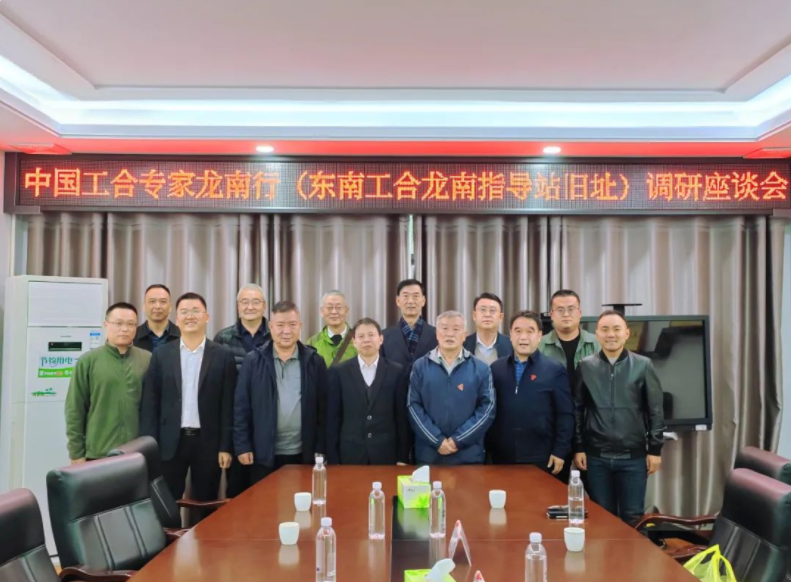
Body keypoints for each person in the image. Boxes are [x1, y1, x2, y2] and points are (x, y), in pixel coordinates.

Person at [140, 292, 237, 508]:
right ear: (177, 318)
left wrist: (225, 447)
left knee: (207, 502)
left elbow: (228, 405)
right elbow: (150, 404)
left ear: (207, 317)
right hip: (169, 443)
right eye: (184, 312)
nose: (190, 316)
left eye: (196, 311)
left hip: (208, 443)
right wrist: (150, 447)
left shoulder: (223, 355)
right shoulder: (162, 355)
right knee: (166, 505)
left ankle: (204, 533)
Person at [573, 310, 665, 525]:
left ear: (626, 333)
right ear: (597, 334)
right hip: (596, 458)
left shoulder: (643, 365)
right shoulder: (585, 366)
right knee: (602, 518)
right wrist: (579, 447)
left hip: (633, 457)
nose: (611, 334)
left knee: (633, 518)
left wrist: (655, 449)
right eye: (605, 329)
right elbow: (577, 409)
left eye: (616, 329)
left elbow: (656, 410)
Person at [234, 301, 328, 484]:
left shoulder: (314, 361)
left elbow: (323, 410)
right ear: (270, 327)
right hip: (263, 453)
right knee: (265, 500)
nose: (286, 331)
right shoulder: (253, 361)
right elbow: (241, 407)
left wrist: (321, 448)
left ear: (300, 326)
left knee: (301, 498)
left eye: (292, 324)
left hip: (303, 453)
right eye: (280, 325)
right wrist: (242, 446)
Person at [65, 302, 151, 463]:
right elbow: (74, 409)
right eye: (118, 323)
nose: (124, 329)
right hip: (98, 452)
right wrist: (76, 453)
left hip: (138, 453)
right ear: (106, 324)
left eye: (130, 324)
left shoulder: (147, 360)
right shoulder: (88, 361)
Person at [487, 311, 572, 473]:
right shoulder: (496, 369)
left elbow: (565, 414)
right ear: (510, 335)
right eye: (518, 331)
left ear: (539, 336)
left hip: (541, 455)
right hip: (502, 455)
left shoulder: (554, 370)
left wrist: (560, 450)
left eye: (530, 331)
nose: (523, 337)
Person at [408, 311, 495, 465]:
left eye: (456, 329)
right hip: (429, 455)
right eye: (444, 328)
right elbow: (413, 406)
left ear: (464, 335)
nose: (450, 334)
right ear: (437, 334)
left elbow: (487, 409)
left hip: (468, 456)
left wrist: (458, 440)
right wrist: (437, 441)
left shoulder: (481, 369)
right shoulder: (420, 366)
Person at [213, 283, 271, 497]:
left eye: (256, 302)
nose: (250, 307)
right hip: (235, 422)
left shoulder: (276, 335)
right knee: (237, 492)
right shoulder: (223, 338)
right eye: (245, 302)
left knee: (268, 492)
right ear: (238, 306)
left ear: (264, 306)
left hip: (268, 422)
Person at [326, 318, 410, 465]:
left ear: (381, 339)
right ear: (354, 342)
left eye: (371, 335)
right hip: (350, 454)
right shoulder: (339, 372)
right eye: (361, 336)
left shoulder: (396, 371)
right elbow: (333, 418)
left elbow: (402, 418)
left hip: (386, 453)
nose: (366, 340)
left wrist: (402, 457)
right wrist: (333, 458)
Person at [538, 289, 599, 383]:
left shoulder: (596, 343)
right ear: (551, 315)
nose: (566, 314)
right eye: (560, 310)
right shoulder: (539, 345)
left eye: (571, 309)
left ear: (579, 313)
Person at [381, 279, 438, 373]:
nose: (410, 301)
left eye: (415, 296)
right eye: (406, 296)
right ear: (398, 301)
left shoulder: (437, 335)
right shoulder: (383, 336)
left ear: (423, 301)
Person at [307, 290, 357, 368]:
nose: (334, 312)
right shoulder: (312, 342)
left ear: (346, 311)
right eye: (329, 308)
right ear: (321, 311)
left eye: (338, 307)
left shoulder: (358, 339)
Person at [463, 292, 512, 365]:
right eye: (483, 310)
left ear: (501, 317)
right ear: (474, 316)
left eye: (492, 310)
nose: (487, 314)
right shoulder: (462, 345)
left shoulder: (511, 345)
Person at [134, 284, 181, 352]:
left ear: (170, 307)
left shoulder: (182, 335)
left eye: (163, 302)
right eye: (152, 301)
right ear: (144, 306)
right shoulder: (133, 336)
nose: (157, 306)